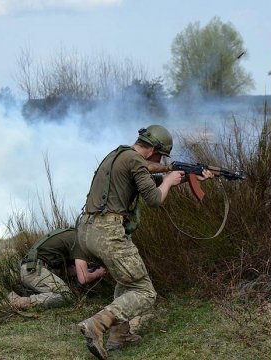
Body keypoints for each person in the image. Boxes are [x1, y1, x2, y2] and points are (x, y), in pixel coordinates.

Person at [76, 124, 213, 359]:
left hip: (87, 231)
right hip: (108, 232)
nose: (161, 160)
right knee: (144, 291)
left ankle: (120, 335)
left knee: (126, 279)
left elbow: (149, 176)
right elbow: (154, 199)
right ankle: (97, 325)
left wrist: (177, 176)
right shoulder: (136, 161)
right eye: (161, 155)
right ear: (152, 150)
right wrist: (168, 181)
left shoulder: (119, 154)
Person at [7, 227, 107, 310]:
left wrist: (84, 270)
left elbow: (67, 270)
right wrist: (99, 272)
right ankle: (19, 302)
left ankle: (9, 299)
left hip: (31, 270)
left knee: (63, 292)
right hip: (35, 271)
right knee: (66, 295)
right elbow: (84, 278)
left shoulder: (72, 235)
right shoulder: (79, 240)